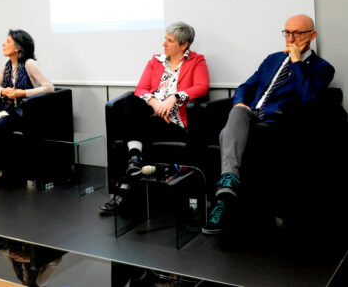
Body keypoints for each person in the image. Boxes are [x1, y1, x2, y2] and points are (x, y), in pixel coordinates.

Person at [202, 14, 334, 234]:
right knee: (236, 114)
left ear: (312, 35)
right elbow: (247, 85)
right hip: (250, 114)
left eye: (297, 33)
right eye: (287, 32)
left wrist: (297, 62)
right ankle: (228, 182)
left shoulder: (321, 68)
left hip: (278, 120)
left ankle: (224, 201)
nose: (290, 37)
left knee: (227, 134)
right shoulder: (271, 59)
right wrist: (240, 103)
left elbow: (309, 99)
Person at [99, 22, 209, 215]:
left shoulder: (197, 61)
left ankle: (124, 191)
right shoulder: (155, 61)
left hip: (174, 121)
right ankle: (135, 156)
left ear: (184, 45)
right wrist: (156, 103)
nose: (164, 44)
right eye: (165, 39)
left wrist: (175, 97)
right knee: (132, 102)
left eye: (170, 40)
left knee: (137, 129)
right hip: (151, 116)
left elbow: (202, 86)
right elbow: (141, 89)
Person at [0, 29, 54, 187]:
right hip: (8, 110)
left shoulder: (29, 64)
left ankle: (3, 170)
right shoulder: (7, 65)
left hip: (25, 112)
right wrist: (2, 91)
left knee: (1, 124)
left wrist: (24, 93)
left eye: (7, 42)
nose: (3, 44)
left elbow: (49, 87)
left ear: (17, 47)